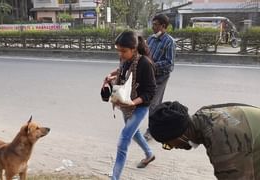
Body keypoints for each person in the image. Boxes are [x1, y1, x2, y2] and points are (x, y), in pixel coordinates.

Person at [148, 101, 260, 180]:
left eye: (168, 144)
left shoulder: (222, 143)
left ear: (177, 135)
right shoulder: (204, 114)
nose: (172, 147)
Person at [102, 30, 156, 180]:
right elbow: (122, 71)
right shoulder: (126, 60)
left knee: (123, 141)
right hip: (126, 106)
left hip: (139, 107)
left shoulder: (145, 64)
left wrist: (133, 102)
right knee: (135, 133)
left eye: (123, 51)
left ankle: (115, 178)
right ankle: (149, 154)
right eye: (118, 50)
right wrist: (111, 76)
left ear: (134, 49)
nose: (120, 54)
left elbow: (150, 92)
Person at [144, 14, 176, 141]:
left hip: (160, 77)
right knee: (146, 102)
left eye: (155, 24)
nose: (153, 27)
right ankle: (160, 123)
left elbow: (170, 64)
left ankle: (152, 130)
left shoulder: (170, 42)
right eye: (153, 24)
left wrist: (152, 65)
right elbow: (144, 54)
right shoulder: (151, 39)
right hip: (148, 76)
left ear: (163, 26)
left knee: (153, 103)